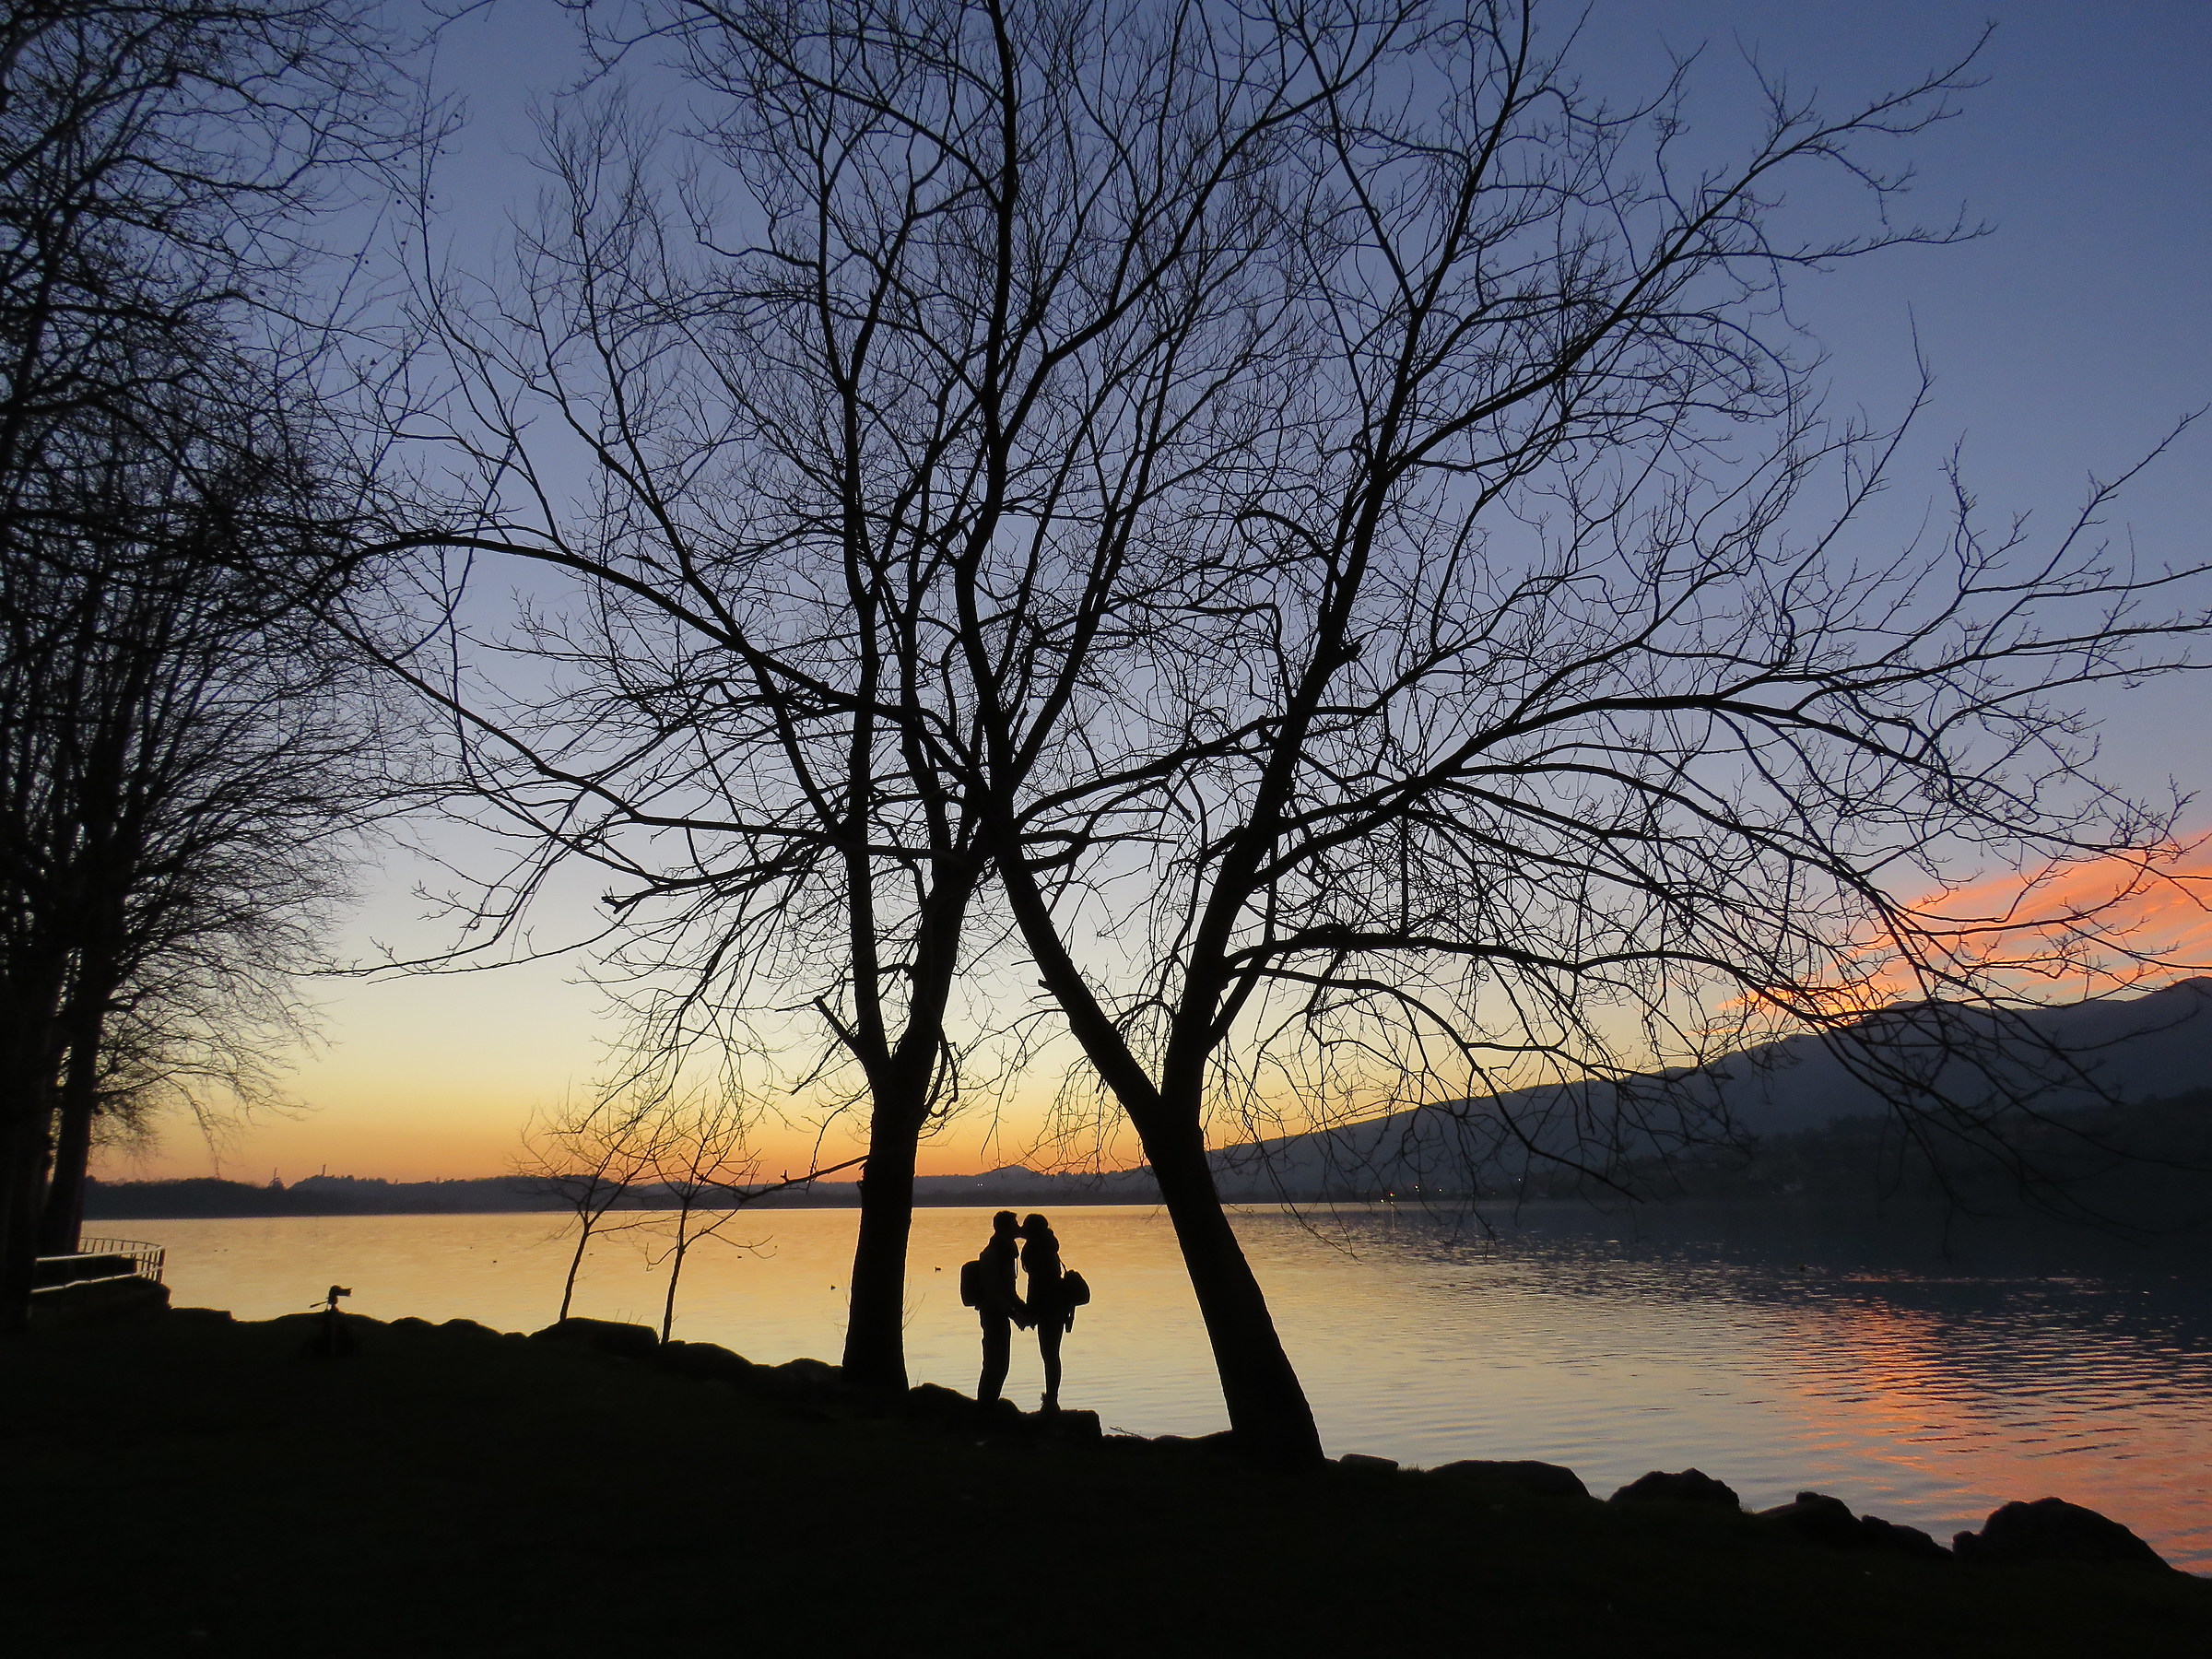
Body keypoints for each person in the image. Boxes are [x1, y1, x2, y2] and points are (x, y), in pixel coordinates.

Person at [974, 1210, 1026, 1405]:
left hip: (1001, 1313)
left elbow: (1008, 1291)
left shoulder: (1005, 1251)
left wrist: (1021, 1309)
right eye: (1014, 1225)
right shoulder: (994, 1254)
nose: (1018, 1228)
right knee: (994, 1365)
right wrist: (1015, 1313)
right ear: (1005, 1229)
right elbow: (994, 1291)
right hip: (993, 1314)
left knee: (1001, 1365)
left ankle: (989, 1407)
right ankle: (985, 1410)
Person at [1019, 1213, 1069, 1412]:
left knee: (1049, 1354)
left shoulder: (1037, 1249)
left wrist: (1030, 1311)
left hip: (1048, 1307)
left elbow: (1037, 1284)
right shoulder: (1048, 1245)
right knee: (1052, 1354)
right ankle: (1051, 1398)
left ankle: (1050, 1400)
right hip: (1057, 1306)